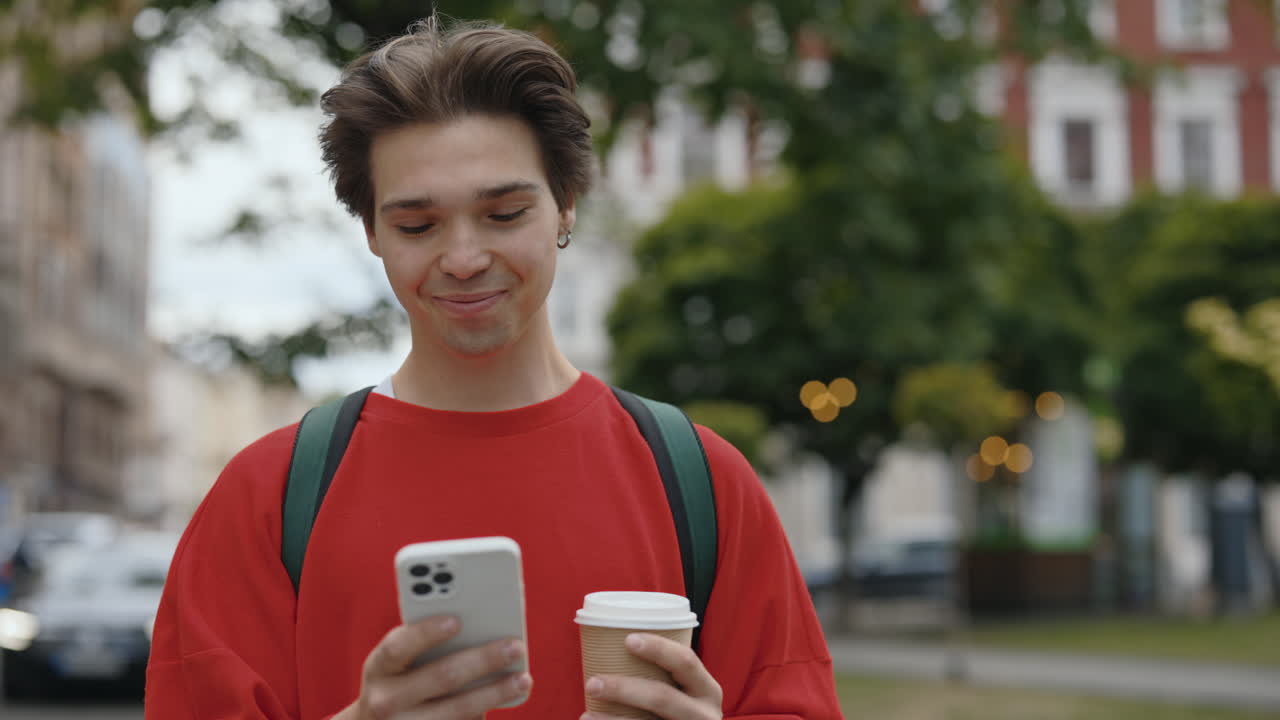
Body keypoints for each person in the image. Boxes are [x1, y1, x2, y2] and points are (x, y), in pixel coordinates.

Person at [145, 16, 843, 720]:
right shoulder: (266, 499)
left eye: (505, 214)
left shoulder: (703, 484)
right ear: (371, 233)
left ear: (566, 206)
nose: (465, 257)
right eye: (418, 226)